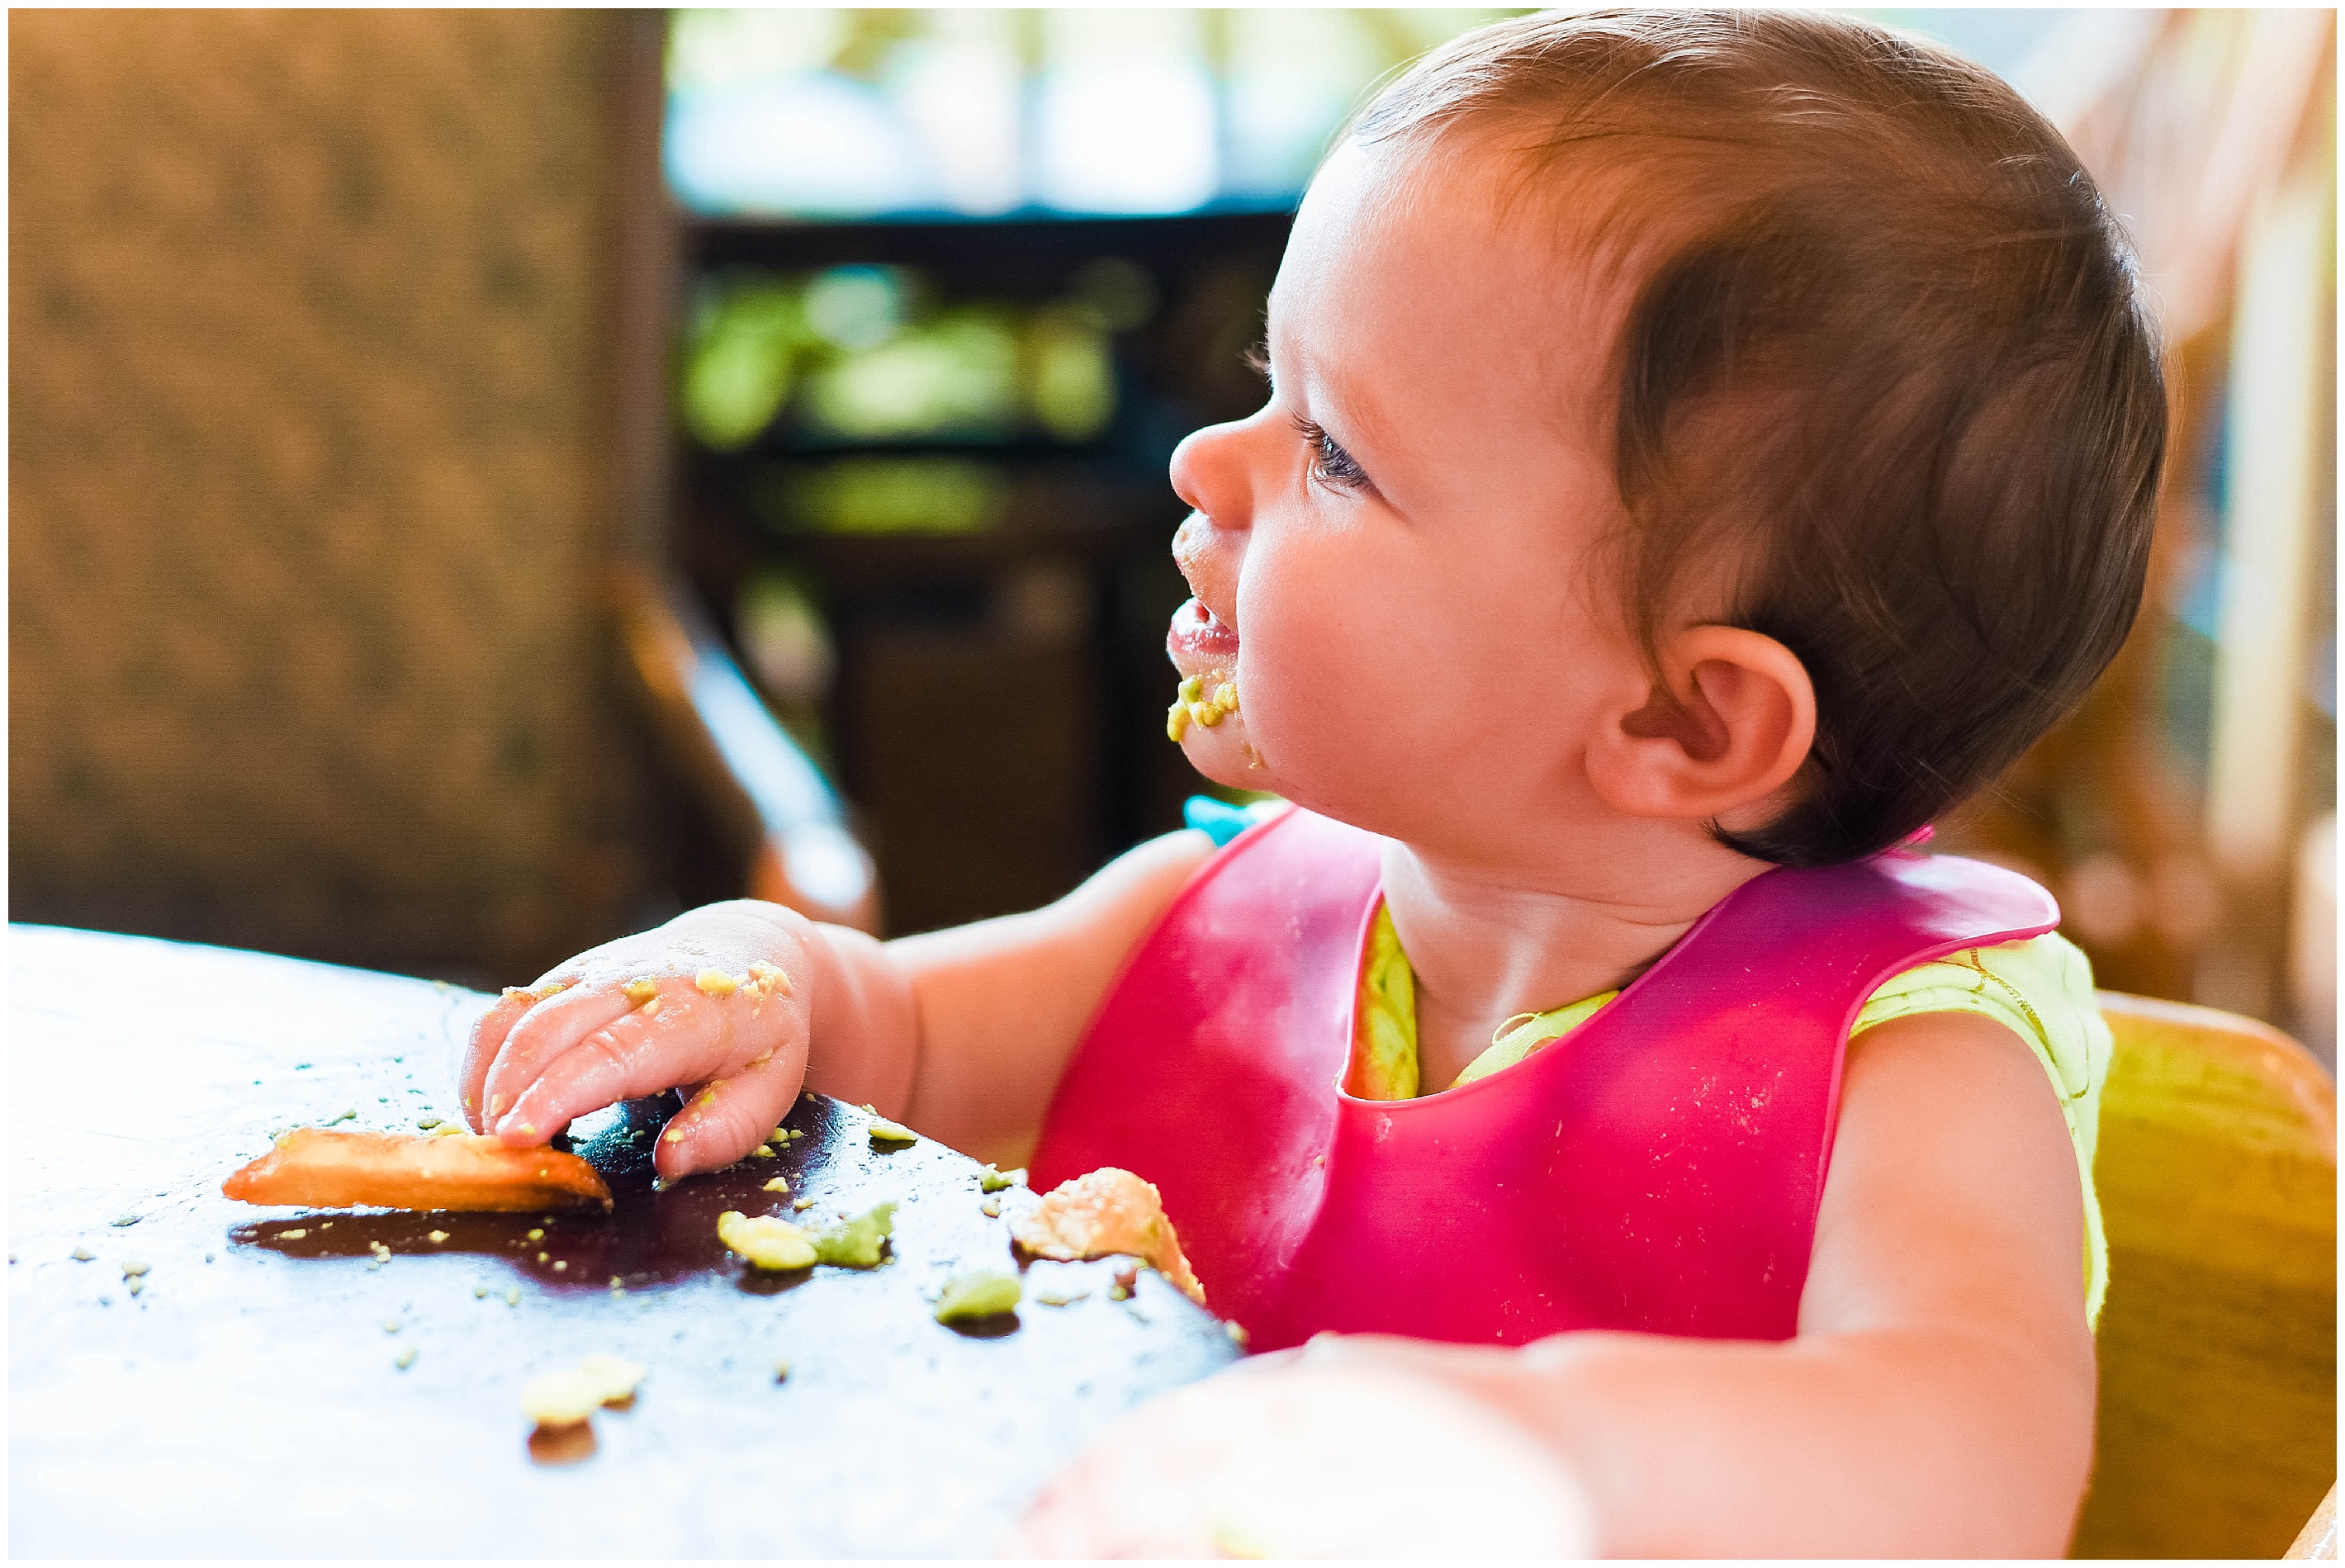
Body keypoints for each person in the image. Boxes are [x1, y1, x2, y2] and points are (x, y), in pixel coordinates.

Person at [462, 10, 2164, 1555]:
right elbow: (894, 1037)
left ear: (1682, 719)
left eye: (1335, 450)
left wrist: (1551, 1457)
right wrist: (754, 977)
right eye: (1261, 389)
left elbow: (1974, 1451)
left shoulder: (1912, 1067)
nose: (1209, 462)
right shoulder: (1211, 918)